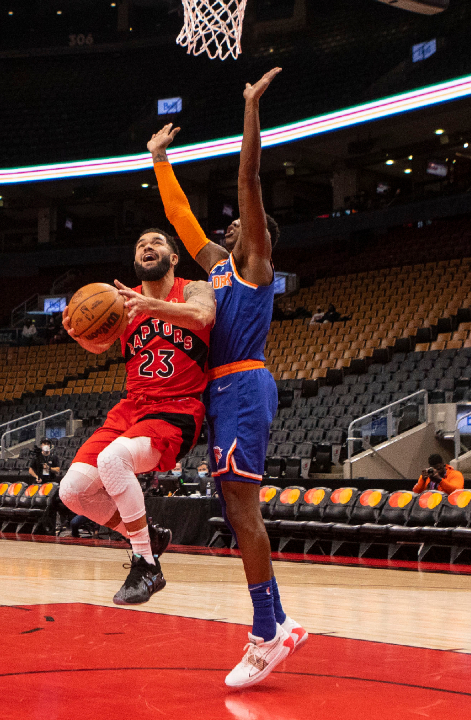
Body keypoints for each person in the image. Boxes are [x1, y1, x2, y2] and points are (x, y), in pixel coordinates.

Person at [149, 67, 306, 689]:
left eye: (243, 223)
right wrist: (160, 160)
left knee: (243, 510)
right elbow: (181, 216)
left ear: (261, 235)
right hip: (221, 389)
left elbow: (249, 179)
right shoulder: (216, 264)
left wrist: (250, 108)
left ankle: (266, 633)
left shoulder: (256, 262)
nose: (232, 225)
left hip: (242, 383)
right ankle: (278, 621)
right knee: (233, 508)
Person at [59, 224, 212, 605]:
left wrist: (150, 306)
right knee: (72, 491)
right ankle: (147, 537)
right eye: (141, 244)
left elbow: (203, 316)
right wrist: (80, 333)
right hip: (132, 408)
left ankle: (146, 564)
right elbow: (100, 346)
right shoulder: (123, 303)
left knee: (114, 460)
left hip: (177, 407)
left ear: (173, 257)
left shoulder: (192, 289)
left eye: (156, 242)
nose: (147, 247)